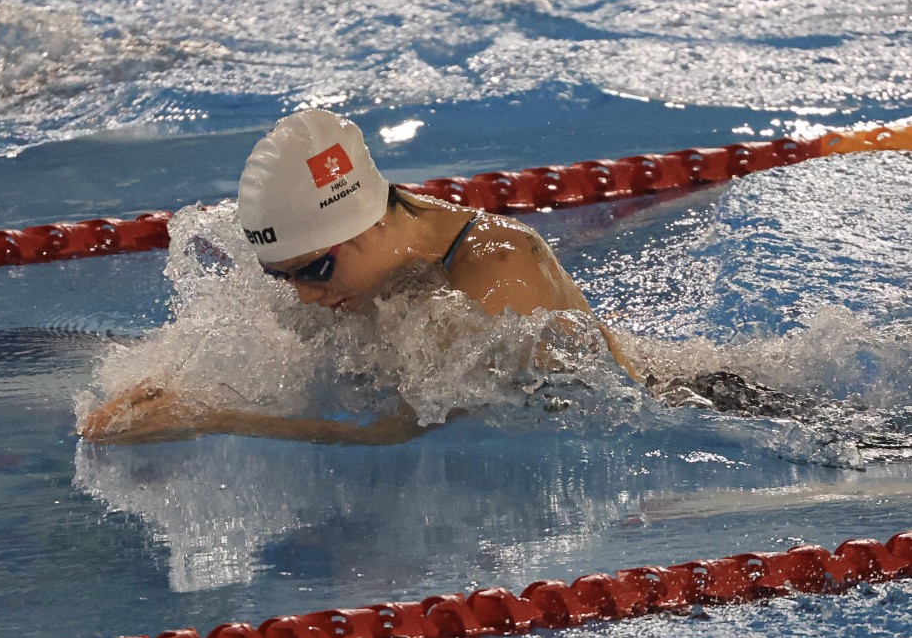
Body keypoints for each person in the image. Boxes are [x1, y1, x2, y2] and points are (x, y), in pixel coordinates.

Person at [79, 109, 638, 444]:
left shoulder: (493, 270)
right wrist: (177, 385)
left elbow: (397, 432)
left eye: (315, 270)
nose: (304, 295)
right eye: (284, 278)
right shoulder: (372, 252)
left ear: (366, 227)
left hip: (658, 407)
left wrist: (212, 420)